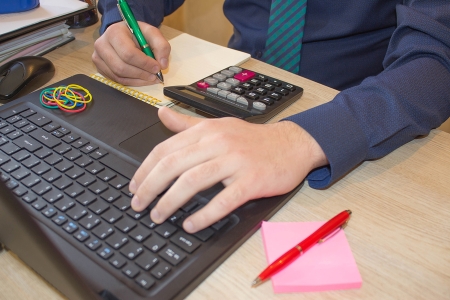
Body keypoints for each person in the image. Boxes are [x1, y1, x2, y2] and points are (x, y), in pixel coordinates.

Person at [92, 0, 450, 233]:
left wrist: (298, 139)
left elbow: (438, 59)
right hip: (234, 81)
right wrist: (125, 17)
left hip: (352, 106)